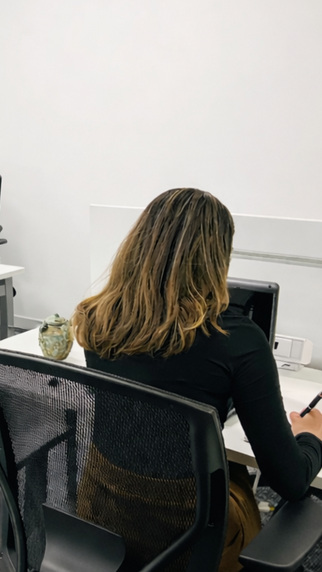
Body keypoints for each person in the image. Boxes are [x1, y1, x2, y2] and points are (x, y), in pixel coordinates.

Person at [71, 188, 322, 571]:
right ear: (217, 257)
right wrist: (311, 437)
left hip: (105, 509)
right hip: (187, 532)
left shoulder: (97, 318)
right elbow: (288, 482)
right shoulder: (236, 340)